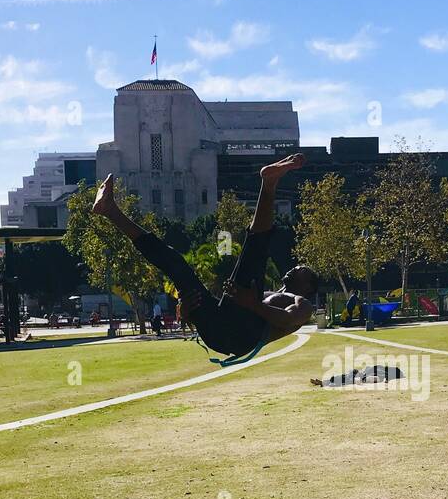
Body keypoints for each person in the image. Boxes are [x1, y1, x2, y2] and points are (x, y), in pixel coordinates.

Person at [91, 153, 318, 365]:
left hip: (241, 337)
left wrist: (252, 304)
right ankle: (110, 210)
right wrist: (189, 313)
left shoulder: (303, 304)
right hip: (219, 328)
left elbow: (288, 320)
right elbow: (227, 309)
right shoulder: (265, 293)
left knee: (254, 251)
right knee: (176, 265)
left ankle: (269, 184)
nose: (295, 267)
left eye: (302, 269)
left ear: (308, 286)